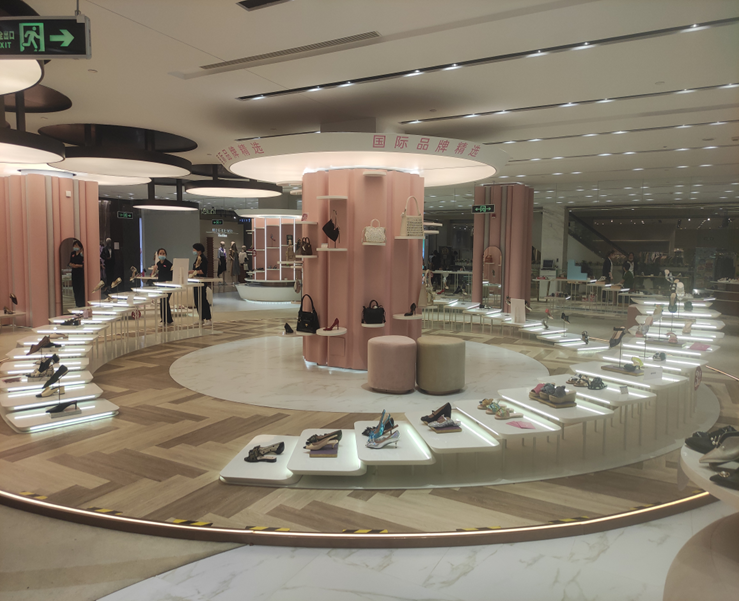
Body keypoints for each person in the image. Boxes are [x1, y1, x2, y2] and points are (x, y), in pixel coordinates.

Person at [190, 243, 212, 323]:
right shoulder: (197, 258)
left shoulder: (203, 259)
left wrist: (193, 271)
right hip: (196, 281)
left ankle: (208, 318)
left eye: (194, 249)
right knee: (197, 299)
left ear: (199, 250)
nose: (193, 251)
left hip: (202, 281)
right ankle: (201, 318)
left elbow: (203, 271)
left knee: (203, 299)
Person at [154, 248, 173, 325]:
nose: (162, 255)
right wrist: (154, 270)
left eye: (163, 253)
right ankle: (168, 320)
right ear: (158, 255)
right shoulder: (158, 264)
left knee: (164, 301)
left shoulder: (169, 264)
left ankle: (165, 320)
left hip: (168, 285)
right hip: (160, 285)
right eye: (160, 253)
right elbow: (154, 274)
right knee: (163, 301)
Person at [69, 239, 86, 307]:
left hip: (80, 273)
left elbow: (83, 264)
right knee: (75, 288)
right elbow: (70, 262)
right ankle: (77, 303)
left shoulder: (82, 254)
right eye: (74, 245)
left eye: (76, 245)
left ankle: (81, 303)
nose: (75, 247)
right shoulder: (72, 254)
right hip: (74, 273)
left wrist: (77, 265)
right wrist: (72, 265)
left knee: (80, 288)